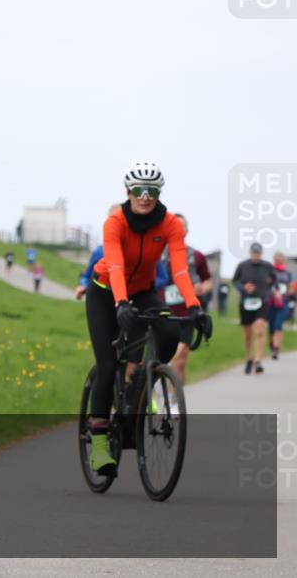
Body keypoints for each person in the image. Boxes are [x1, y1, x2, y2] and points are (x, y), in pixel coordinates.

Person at [84, 161, 209, 476]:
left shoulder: (170, 224)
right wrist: (120, 301)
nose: (144, 196)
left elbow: (180, 269)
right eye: (138, 190)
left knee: (167, 332)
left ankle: (140, 385)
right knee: (108, 364)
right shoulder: (115, 222)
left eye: (151, 190)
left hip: (142, 291)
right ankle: (99, 444)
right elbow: (113, 264)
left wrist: (195, 306)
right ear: (128, 191)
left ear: (158, 193)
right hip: (104, 291)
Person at [157, 213, 213, 384]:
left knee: (180, 358)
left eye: (181, 227)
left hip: (186, 313)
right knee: (157, 358)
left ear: (187, 231)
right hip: (160, 311)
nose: (177, 230)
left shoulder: (197, 256)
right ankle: (153, 390)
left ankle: (174, 401)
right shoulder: (157, 253)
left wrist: (202, 288)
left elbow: (208, 281)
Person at [233, 242, 276, 374]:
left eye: (257, 253)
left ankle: (258, 360)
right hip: (246, 302)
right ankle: (249, 359)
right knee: (248, 334)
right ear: (250, 253)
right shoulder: (242, 266)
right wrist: (244, 287)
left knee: (260, 329)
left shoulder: (267, 266)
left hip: (262, 301)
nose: (255, 255)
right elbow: (235, 281)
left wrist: (269, 291)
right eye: (253, 253)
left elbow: (275, 280)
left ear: (261, 253)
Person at [75, 204, 122, 300]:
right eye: (114, 220)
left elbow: (160, 277)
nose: (118, 224)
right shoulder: (100, 251)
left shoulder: (141, 248)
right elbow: (87, 275)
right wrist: (83, 286)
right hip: (105, 299)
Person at [268, 251, 293, 361]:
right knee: (271, 326)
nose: (278, 259)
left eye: (280, 258)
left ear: (284, 259)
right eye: (277, 258)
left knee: (279, 325)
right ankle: (271, 344)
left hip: (283, 302)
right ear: (274, 259)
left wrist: (288, 293)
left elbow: (291, 286)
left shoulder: (287, 273)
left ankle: (276, 348)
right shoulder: (269, 271)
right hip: (271, 301)